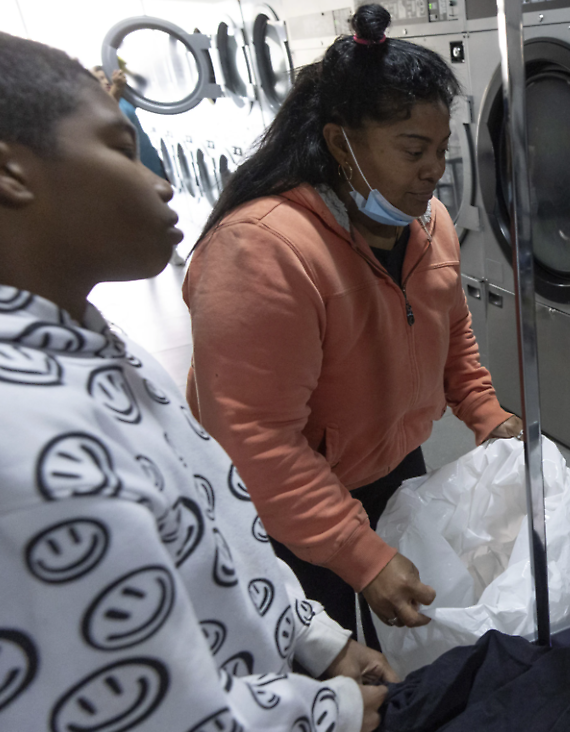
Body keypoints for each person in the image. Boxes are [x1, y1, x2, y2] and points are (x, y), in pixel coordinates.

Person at [0, 32, 395, 731]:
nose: (159, 179)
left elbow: (215, 524)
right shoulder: (29, 448)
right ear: (12, 173)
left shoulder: (90, 343)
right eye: (121, 150)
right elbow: (143, 712)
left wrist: (316, 639)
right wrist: (325, 712)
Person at [182, 3, 521, 650]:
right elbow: (256, 441)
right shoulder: (263, 252)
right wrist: (356, 554)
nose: (433, 170)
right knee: (330, 656)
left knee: (404, 641)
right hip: (287, 502)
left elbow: (453, 335)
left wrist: (485, 411)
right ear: (341, 143)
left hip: (393, 463)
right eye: (413, 150)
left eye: (440, 150)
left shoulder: (428, 226)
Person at [91, 64, 188, 267]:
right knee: (141, 205)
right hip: (126, 159)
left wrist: (126, 68)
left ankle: (170, 249)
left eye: (105, 77)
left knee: (161, 201)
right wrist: (117, 88)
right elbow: (109, 114)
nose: (105, 81)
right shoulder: (96, 105)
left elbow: (144, 88)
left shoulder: (125, 96)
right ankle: (151, 249)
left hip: (146, 154)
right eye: (98, 79)